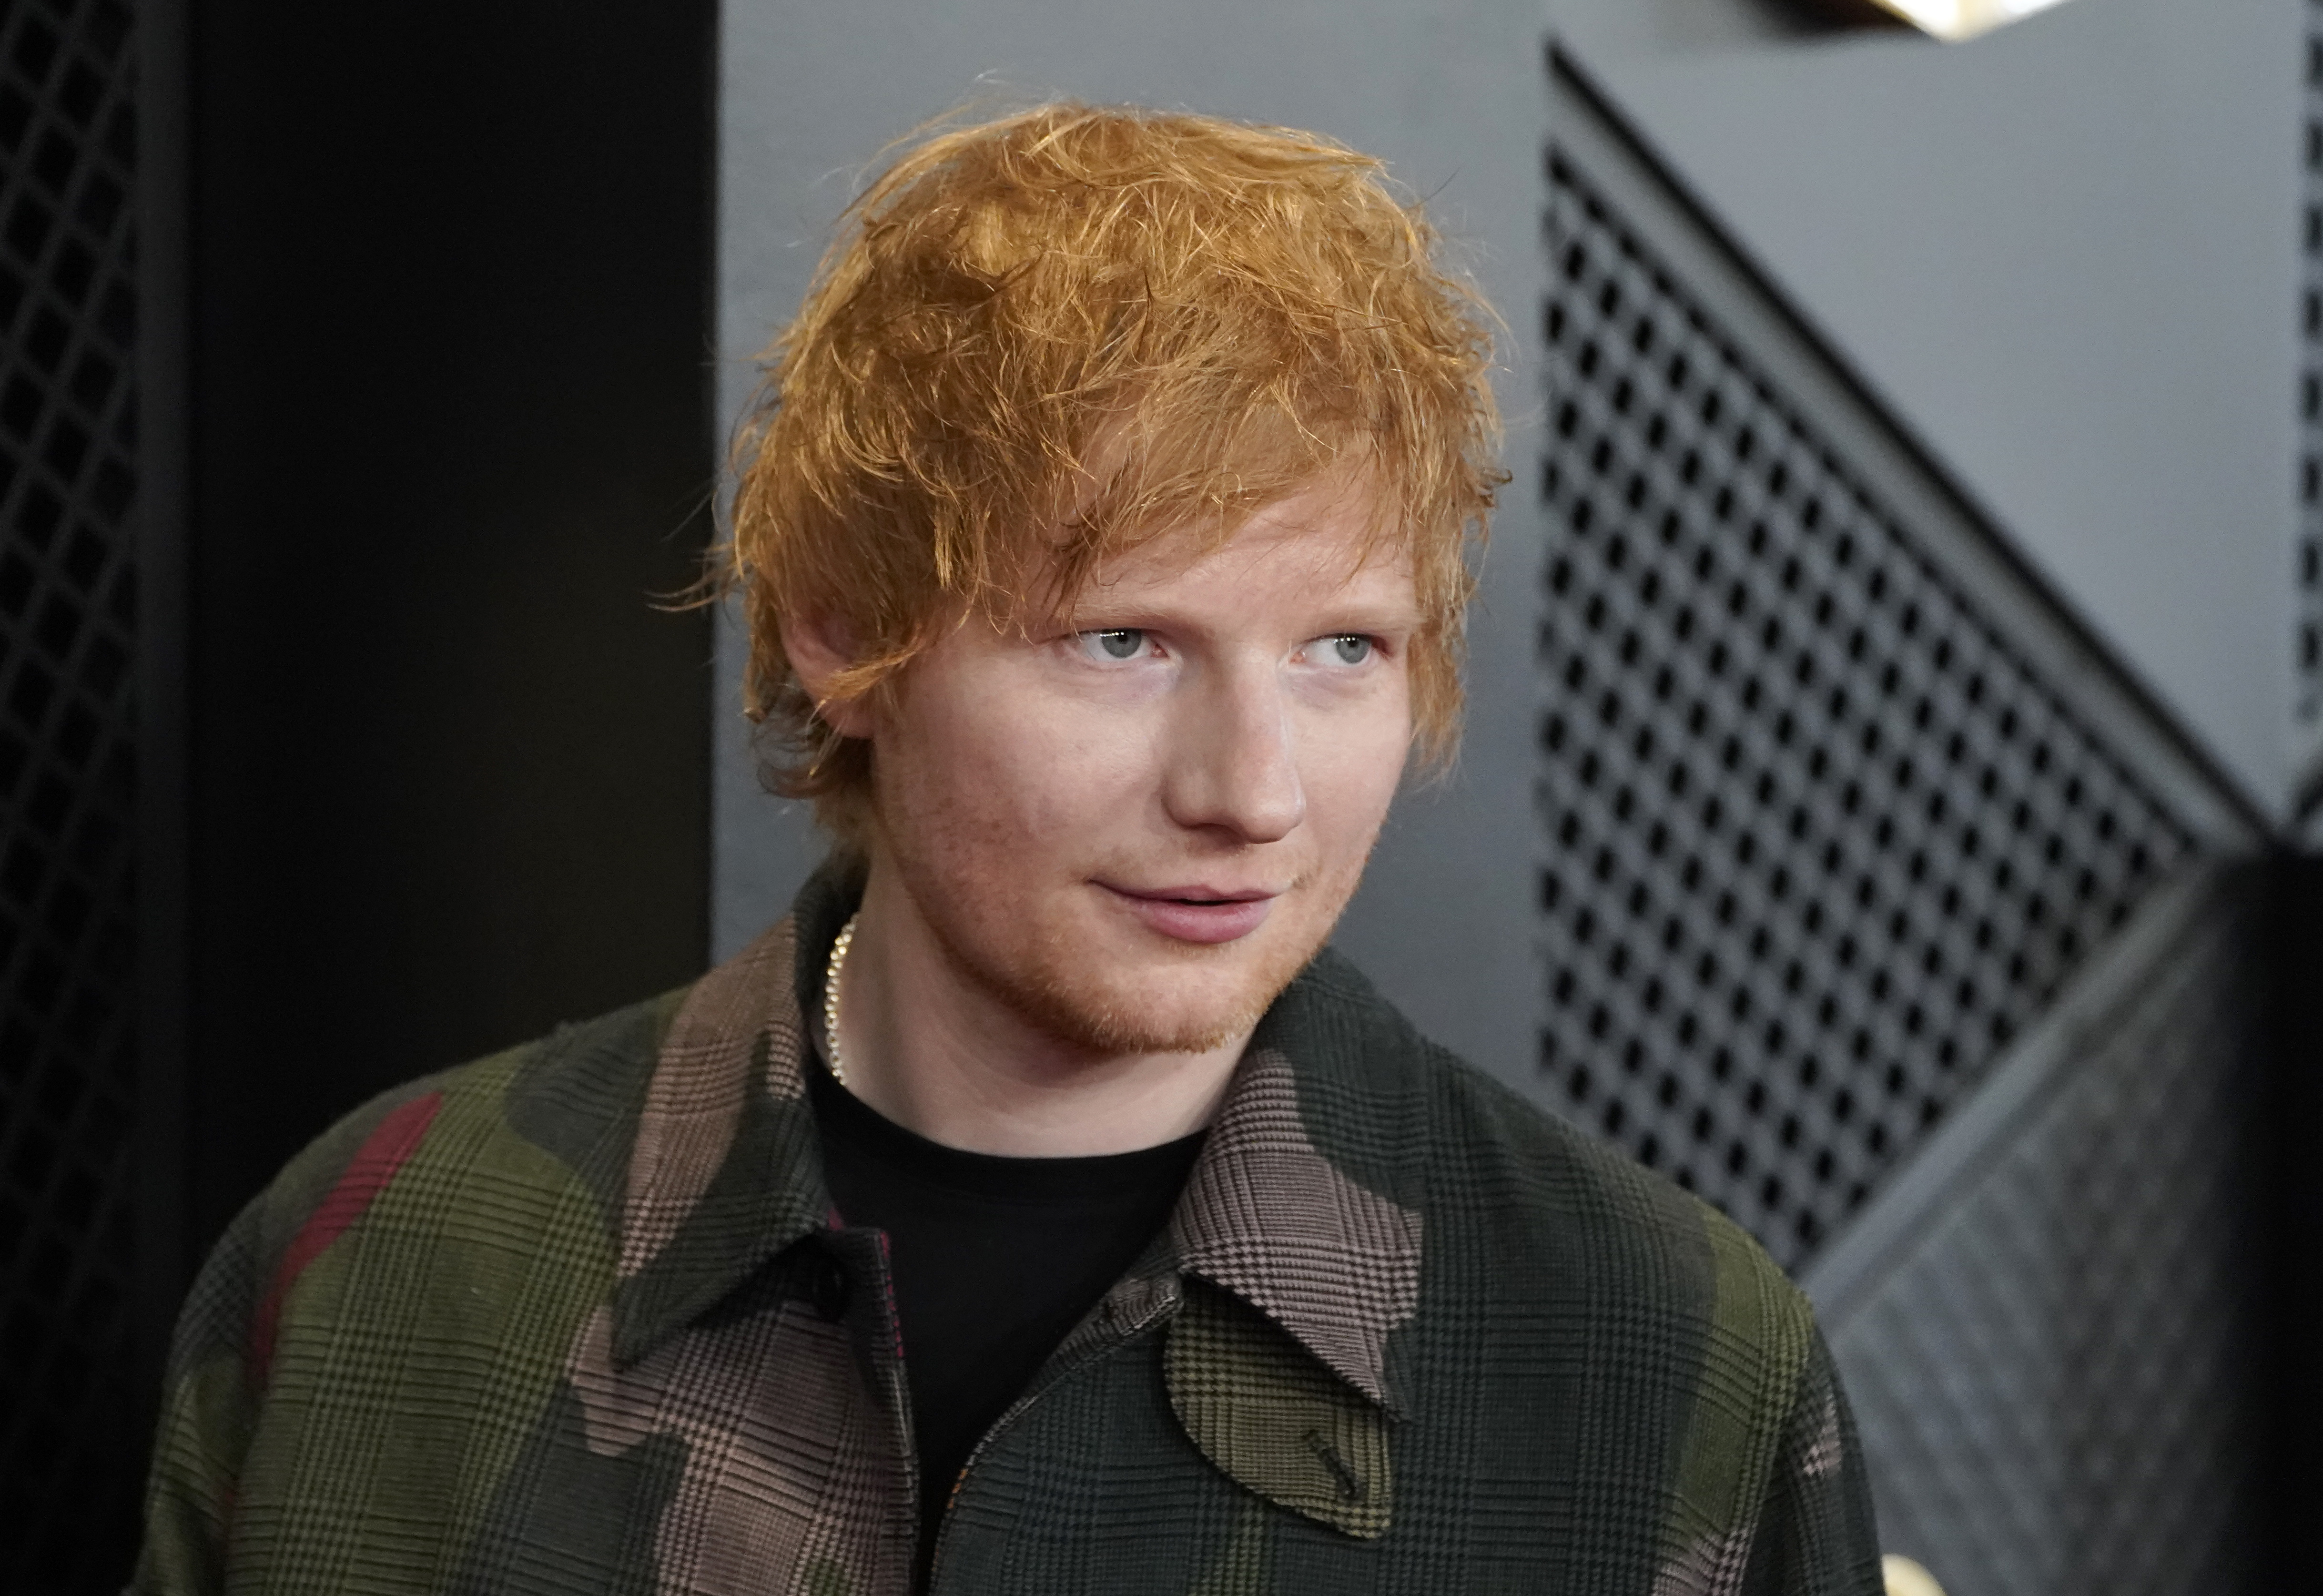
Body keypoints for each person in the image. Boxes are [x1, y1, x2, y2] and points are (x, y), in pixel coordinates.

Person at [131, 104, 1882, 1596]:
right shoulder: (382, 1259)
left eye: (1341, 648)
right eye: (1123, 642)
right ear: (842, 630)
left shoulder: (1661, 1357)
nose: (1253, 793)